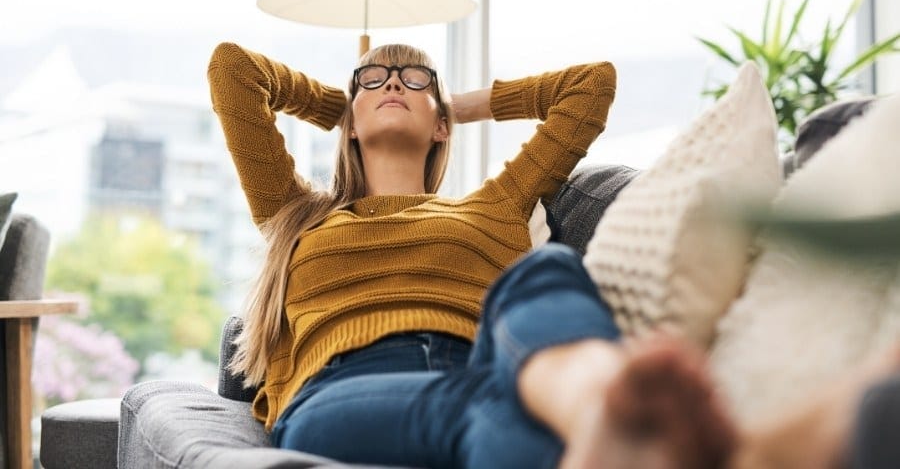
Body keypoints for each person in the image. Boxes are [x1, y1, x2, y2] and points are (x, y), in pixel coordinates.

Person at [208, 41, 887, 468]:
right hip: (341, 391)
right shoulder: (297, 213)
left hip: (499, 363)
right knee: (485, 409)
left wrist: (452, 103)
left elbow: (590, 85)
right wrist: (347, 104)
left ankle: (601, 406)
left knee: (546, 267)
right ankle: (605, 418)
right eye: (376, 76)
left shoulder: (493, 206)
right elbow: (232, 70)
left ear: (441, 121)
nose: (394, 83)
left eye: (416, 78)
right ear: (349, 120)